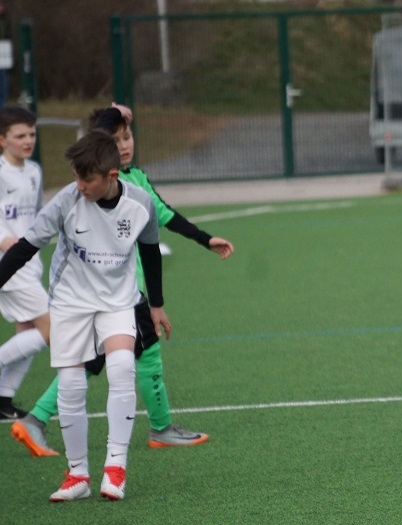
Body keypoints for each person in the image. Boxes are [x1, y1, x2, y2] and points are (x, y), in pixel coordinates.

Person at [10, 104, 234, 457]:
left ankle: (39, 420)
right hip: (119, 296)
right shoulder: (93, 185)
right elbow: (29, 244)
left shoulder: (137, 182)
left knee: (102, 359)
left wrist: (205, 239)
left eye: (127, 137)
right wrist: (111, 114)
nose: (124, 145)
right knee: (133, 355)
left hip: (124, 294)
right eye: (116, 140)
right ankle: (158, 428)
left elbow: (165, 217)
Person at [0, 130, 167, 501]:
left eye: (86, 179)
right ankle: (78, 476)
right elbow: (25, 247)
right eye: (75, 177)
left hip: (117, 300)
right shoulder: (67, 200)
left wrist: (156, 304)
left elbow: (150, 252)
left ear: (111, 176)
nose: (79, 185)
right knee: (72, 385)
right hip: (70, 301)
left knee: (122, 365)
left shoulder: (140, 203)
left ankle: (115, 469)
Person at [0, 107, 50, 420]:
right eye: (20, 136)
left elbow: (37, 215)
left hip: (30, 264)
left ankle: (3, 399)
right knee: (52, 330)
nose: (28, 140)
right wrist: (3, 238)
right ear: (2, 139)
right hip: (8, 266)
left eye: (31, 134)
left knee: (28, 333)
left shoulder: (33, 171)